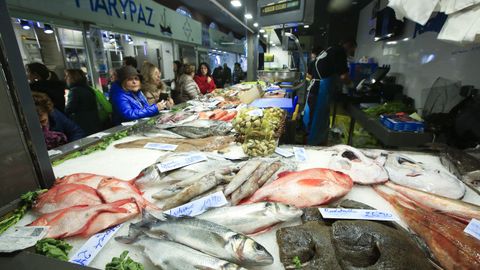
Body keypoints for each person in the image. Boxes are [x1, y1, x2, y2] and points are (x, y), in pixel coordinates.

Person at [305, 39, 357, 146]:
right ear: (349, 46)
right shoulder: (340, 52)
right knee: (318, 118)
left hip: (316, 88)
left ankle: (314, 140)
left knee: (315, 116)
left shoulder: (330, 49)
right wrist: (352, 85)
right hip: (321, 90)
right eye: (352, 51)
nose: (350, 54)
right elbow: (343, 76)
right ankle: (314, 146)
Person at [64, 69, 102, 135]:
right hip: (93, 122)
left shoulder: (75, 91)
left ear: (73, 78)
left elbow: (69, 109)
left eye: (67, 76)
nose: (65, 78)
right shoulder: (88, 89)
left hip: (83, 123)